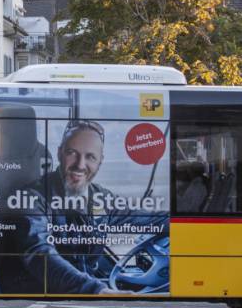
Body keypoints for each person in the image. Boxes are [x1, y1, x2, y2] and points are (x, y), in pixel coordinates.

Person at [9, 119, 164, 294]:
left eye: (90, 156)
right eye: (72, 153)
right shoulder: (32, 197)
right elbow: (39, 254)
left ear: (100, 161)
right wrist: (97, 291)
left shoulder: (101, 198)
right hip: (41, 296)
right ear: (60, 153)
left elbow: (149, 219)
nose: (80, 165)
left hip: (83, 294)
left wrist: (186, 221)